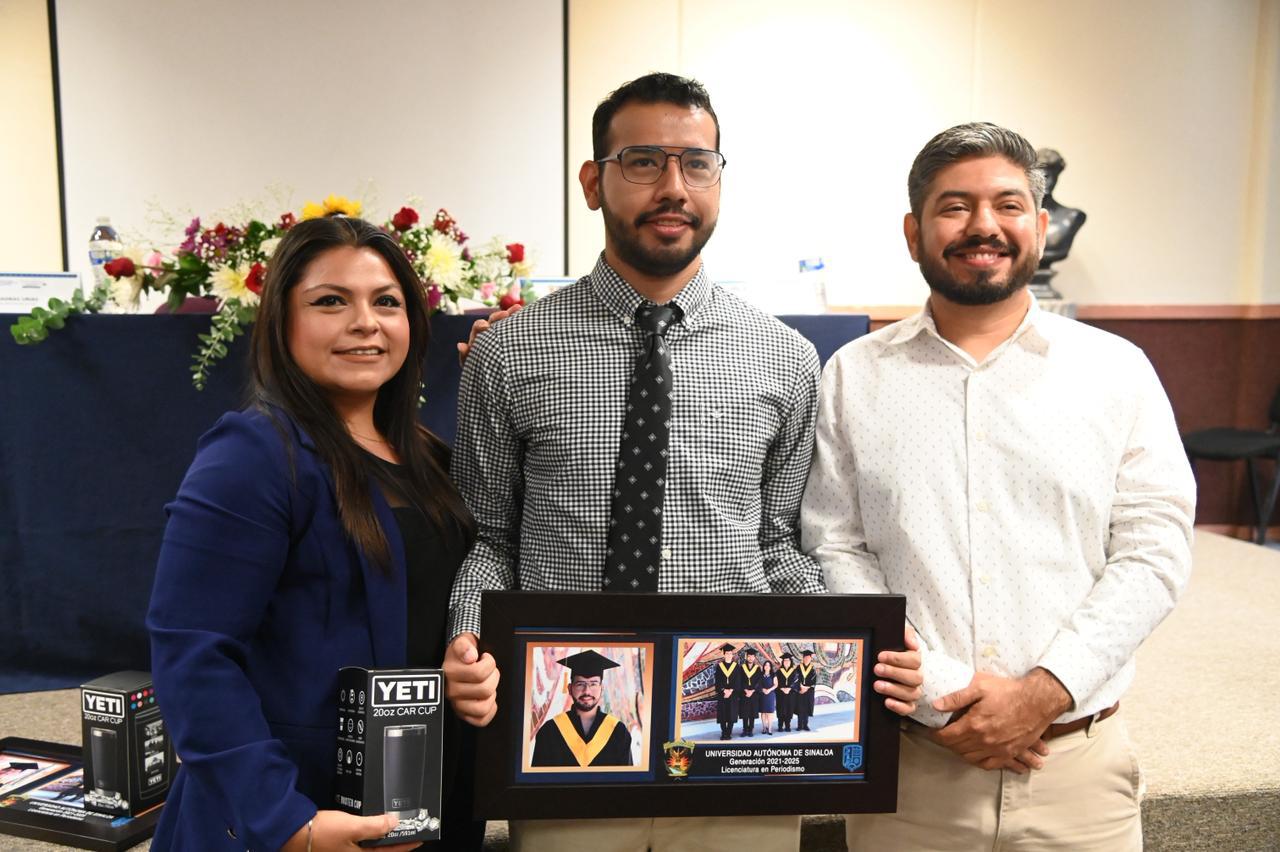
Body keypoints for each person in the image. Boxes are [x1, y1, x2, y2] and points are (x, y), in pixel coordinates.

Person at [443, 72, 923, 851]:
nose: (674, 187)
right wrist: (467, 636)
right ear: (593, 182)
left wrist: (860, 644)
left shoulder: (785, 358)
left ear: (718, 182)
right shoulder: (510, 352)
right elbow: (489, 539)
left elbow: (781, 547)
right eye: (643, 162)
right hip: (568, 733)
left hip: (732, 742)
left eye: (697, 164)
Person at [801, 122, 1196, 850]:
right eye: (954, 206)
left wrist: (1043, 692)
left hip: (1078, 771)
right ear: (914, 233)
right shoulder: (854, 376)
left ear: (1039, 227)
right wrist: (941, 696)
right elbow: (834, 545)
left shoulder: (1118, 372)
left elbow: (1155, 551)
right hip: (912, 768)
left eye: (1008, 205)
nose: (983, 226)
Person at [146, 216, 483, 851]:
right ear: (283, 321)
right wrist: (286, 822)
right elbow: (193, 653)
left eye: (387, 302)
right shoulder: (252, 453)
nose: (366, 322)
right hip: (301, 813)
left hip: (423, 800)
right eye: (331, 301)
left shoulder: (429, 458)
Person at [531, 650, 634, 767]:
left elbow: (627, 777)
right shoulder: (549, 732)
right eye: (580, 684)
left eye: (593, 684)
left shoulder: (618, 732)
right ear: (570, 688)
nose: (587, 691)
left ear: (602, 688)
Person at [713, 642, 741, 741]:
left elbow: (738, 680)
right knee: (723, 714)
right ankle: (723, 732)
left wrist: (731, 690)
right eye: (727, 653)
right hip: (722, 694)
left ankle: (729, 733)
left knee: (731, 714)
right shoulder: (719, 666)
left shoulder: (736, 666)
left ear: (732, 655)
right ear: (724, 654)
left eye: (730, 653)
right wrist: (724, 690)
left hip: (732, 694)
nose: (729, 655)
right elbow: (717, 680)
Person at [737, 647, 763, 737]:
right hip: (744, 694)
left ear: (754, 657)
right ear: (746, 657)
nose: (750, 658)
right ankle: (745, 730)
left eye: (752, 656)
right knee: (744, 712)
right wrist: (745, 690)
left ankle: (751, 729)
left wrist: (752, 690)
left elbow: (759, 681)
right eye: (749, 656)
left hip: (754, 694)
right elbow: (740, 680)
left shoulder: (757, 668)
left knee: (752, 712)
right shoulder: (742, 668)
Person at [795, 649, 818, 732]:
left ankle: (805, 725)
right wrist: (801, 687)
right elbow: (796, 679)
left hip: (808, 692)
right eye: (805, 657)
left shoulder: (813, 669)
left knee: (806, 708)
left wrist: (806, 688)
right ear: (803, 658)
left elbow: (814, 681)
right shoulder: (798, 668)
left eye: (808, 658)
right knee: (800, 708)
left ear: (811, 658)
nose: (807, 659)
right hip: (800, 691)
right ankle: (799, 725)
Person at [776, 652, 797, 733]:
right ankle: (780, 725)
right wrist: (782, 688)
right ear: (782, 662)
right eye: (785, 660)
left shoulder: (794, 671)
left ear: (790, 661)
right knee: (781, 709)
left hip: (790, 694)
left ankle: (788, 725)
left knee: (789, 709)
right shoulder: (779, 671)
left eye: (788, 660)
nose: (786, 662)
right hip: (781, 694)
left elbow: (796, 682)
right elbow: (776, 682)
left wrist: (789, 688)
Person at [758, 658, 778, 735]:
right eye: (766, 665)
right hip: (762, 695)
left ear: (770, 667)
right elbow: (758, 684)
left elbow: (776, 685)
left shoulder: (773, 675)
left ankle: (769, 729)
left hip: (770, 695)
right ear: (763, 666)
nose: (767, 666)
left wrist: (769, 690)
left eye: (769, 665)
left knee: (770, 712)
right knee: (763, 712)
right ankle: (764, 727)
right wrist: (763, 689)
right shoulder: (760, 675)